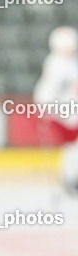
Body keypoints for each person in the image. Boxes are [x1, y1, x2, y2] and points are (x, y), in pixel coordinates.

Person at [33, 25, 78, 193]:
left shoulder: (72, 63)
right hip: (62, 112)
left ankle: (71, 177)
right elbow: (45, 95)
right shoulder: (55, 65)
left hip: (70, 111)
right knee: (72, 145)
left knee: (73, 146)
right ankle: (70, 178)